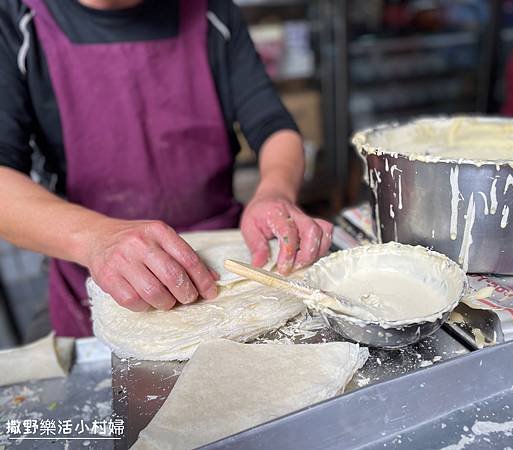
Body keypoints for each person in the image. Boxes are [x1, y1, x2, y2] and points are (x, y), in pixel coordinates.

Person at [0, 0, 333, 337]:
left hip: (227, 265)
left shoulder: (212, 11)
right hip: (94, 277)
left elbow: (273, 124)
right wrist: (97, 239)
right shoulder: (17, 21)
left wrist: (273, 192)